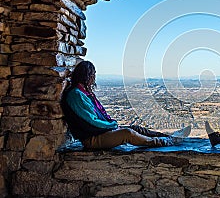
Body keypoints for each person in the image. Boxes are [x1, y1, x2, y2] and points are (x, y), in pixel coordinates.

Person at [61, 60, 191, 149]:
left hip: (99, 132)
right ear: (86, 75)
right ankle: (165, 142)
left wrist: (111, 126)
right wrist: (112, 125)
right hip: (92, 139)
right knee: (127, 133)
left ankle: (169, 136)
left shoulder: (84, 92)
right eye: (92, 74)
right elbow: (91, 121)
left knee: (137, 129)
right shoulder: (76, 95)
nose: (94, 78)